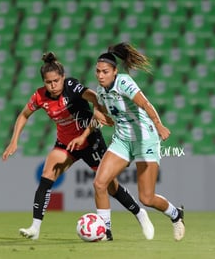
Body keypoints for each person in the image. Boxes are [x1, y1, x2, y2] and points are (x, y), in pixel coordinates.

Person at [2, 52, 154, 241]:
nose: (53, 86)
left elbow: (95, 97)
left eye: (56, 81)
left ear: (63, 78)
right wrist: (14, 140)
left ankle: (140, 214)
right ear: (44, 82)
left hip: (90, 141)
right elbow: (24, 115)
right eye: (48, 82)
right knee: (47, 175)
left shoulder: (72, 86)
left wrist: (98, 112)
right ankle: (35, 228)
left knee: (110, 187)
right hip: (66, 144)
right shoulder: (40, 96)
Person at [68, 43, 185, 241]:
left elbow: (145, 104)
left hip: (144, 139)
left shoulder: (124, 82)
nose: (100, 75)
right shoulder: (101, 91)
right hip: (122, 140)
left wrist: (159, 125)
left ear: (115, 71)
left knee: (146, 198)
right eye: (97, 71)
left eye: (105, 71)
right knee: (99, 183)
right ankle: (105, 231)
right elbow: (102, 112)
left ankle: (176, 215)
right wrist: (92, 124)